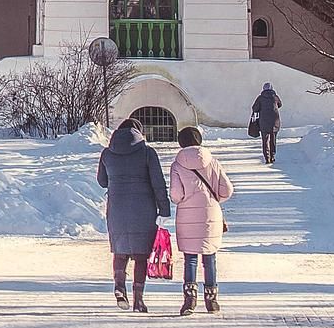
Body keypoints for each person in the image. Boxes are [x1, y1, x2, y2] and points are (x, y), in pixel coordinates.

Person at [97, 117, 170, 312]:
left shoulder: (107, 154)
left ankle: (120, 287)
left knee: (120, 252)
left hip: (117, 208)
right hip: (143, 208)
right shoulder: (147, 152)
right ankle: (139, 300)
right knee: (140, 255)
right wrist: (164, 208)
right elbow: (158, 183)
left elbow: (102, 181)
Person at [168, 126, 233, 315]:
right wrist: (212, 200)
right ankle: (212, 300)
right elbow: (227, 190)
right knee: (210, 256)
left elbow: (176, 195)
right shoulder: (213, 162)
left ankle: (189, 300)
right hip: (211, 215)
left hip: (187, 215)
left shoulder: (177, 165)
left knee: (190, 258)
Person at [252, 83, 282, 164]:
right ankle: (272, 156)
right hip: (275, 122)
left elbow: (255, 108)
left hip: (264, 122)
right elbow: (280, 105)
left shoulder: (260, 98)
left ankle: (267, 158)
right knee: (273, 140)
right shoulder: (275, 97)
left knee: (265, 141)